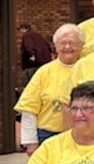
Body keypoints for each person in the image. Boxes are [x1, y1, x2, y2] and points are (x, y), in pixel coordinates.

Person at [15, 24, 84, 155]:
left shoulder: (89, 68)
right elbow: (29, 108)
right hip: (48, 135)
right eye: (62, 43)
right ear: (55, 47)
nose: (67, 47)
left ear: (82, 46)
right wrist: (31, 142)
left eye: (73, 43)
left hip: (85, 135)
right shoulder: (44, 72)